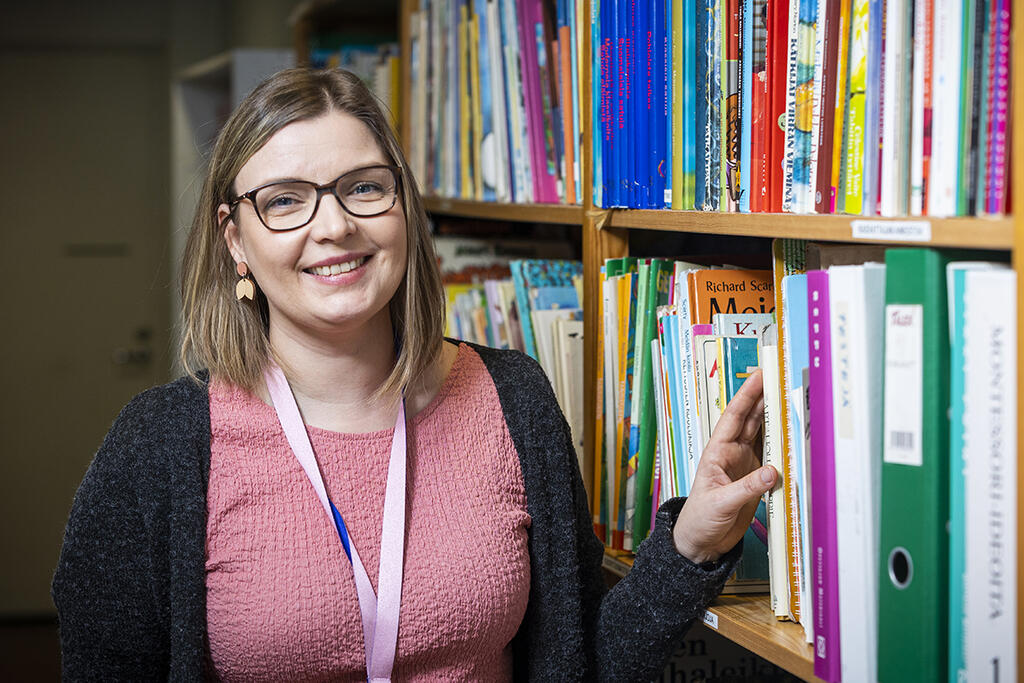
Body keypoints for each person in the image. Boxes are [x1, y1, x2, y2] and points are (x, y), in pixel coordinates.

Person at [52, 67, 777, 682]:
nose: (334, 225)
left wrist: (693, 544)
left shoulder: (513, 399)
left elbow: (582, 656)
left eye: (362, 188)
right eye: (284, 200)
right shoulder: (157, 447)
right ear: (234, 238)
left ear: (402, 206)